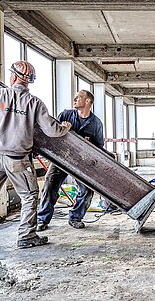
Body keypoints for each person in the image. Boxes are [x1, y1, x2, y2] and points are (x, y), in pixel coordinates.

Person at [0, 61, 72, 250]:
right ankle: (26, 235)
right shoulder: (34, 103)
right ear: (28, 81)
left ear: (13, 77)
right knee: (30, 196)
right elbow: (51, 130)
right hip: (18, 160)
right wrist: (65, 128)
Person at [37, 90, 104, 230]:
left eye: (78, 97)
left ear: (88, 101)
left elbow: (99, 147)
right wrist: (63, 129)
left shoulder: (96, 123)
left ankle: (75, 217)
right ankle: (43, 219)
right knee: (49, 186)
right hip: (61, 158)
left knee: (87, 190)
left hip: (81, 163)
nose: (74, 99)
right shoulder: (65, 115)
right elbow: (52, 133)